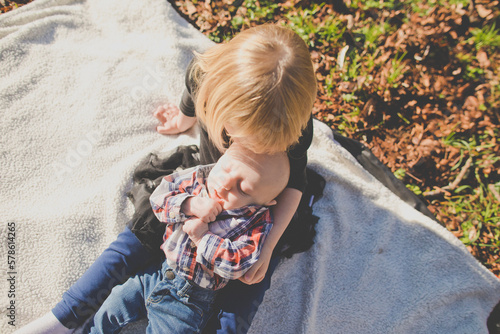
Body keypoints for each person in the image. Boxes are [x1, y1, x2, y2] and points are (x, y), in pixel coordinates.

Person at [15, 23, 317, 334]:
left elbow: (296, 183)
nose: (250, 149)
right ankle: (66, 315)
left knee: (249, 282)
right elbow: (192, 94)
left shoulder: (293, 123)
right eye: (241, 136)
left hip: (256, 206)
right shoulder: (207, 75)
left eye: (265, 144)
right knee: (136, 238)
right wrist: (183, 118)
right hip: (202, 185)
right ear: (218, 98)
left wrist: (267, 248)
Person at [83, 142, 290, 333]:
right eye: (226, 168)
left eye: (243, 189)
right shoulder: (200, 179)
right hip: (156, 273)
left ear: (266, 202)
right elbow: (159, 198)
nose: (225, 184)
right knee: (113, 305)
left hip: (190, 299)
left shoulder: (257, 224)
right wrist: (188, 204)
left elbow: (236, 264)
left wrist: (203, 238)